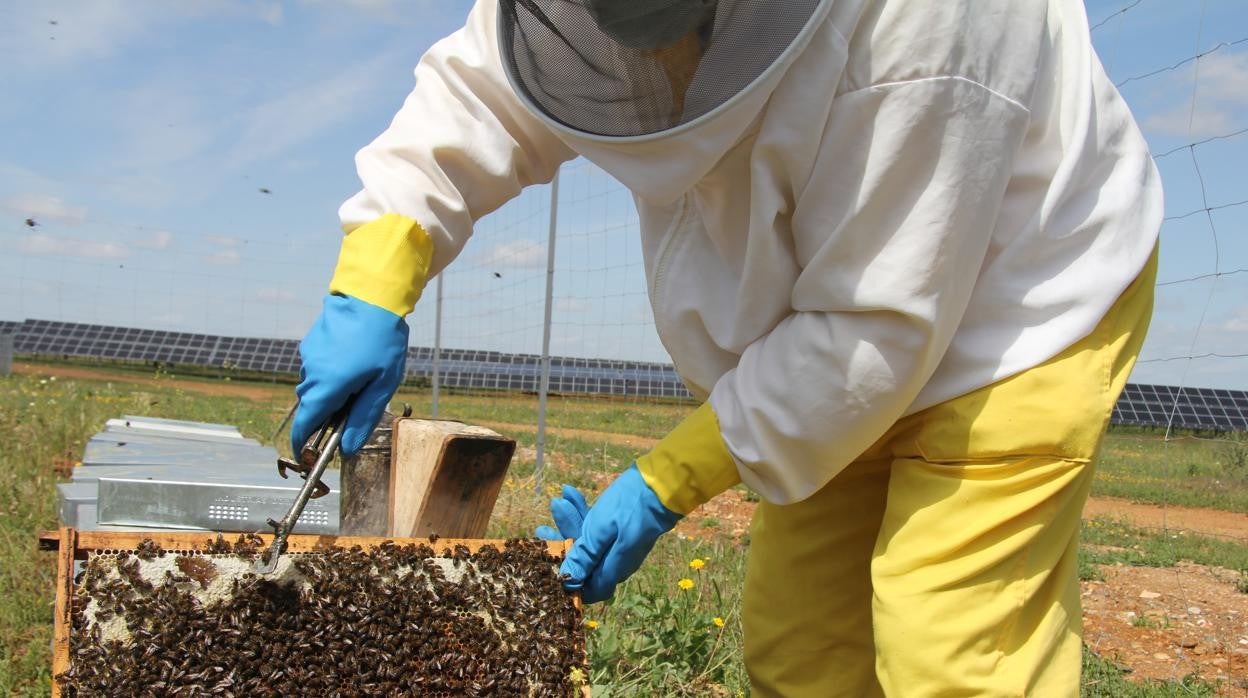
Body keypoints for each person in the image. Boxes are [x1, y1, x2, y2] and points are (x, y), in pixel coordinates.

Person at [291, 0, 1161, 694]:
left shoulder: (931, 28)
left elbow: (869, 332)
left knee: (950, 649)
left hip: (1015, 308)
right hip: (829, 329)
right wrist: (376, 270)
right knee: (801, 651)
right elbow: (482, 91)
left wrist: (664, 483)